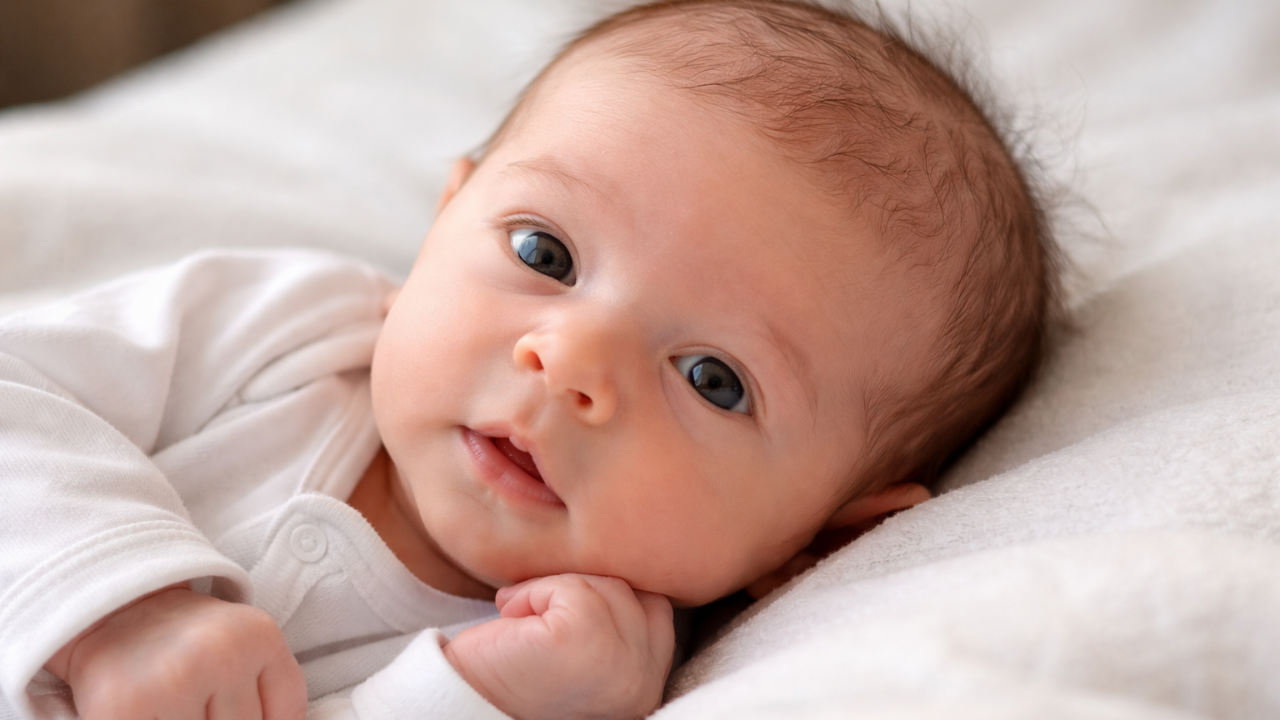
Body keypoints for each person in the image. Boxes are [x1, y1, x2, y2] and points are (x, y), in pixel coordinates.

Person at [0, 0, 1054, 718]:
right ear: (444, 214)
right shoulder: (283, 329)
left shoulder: (589, 679)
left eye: (712, 380)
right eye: (544, 254)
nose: (567, 360)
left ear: (816, 541)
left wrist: (468, 696)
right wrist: (125, 615)